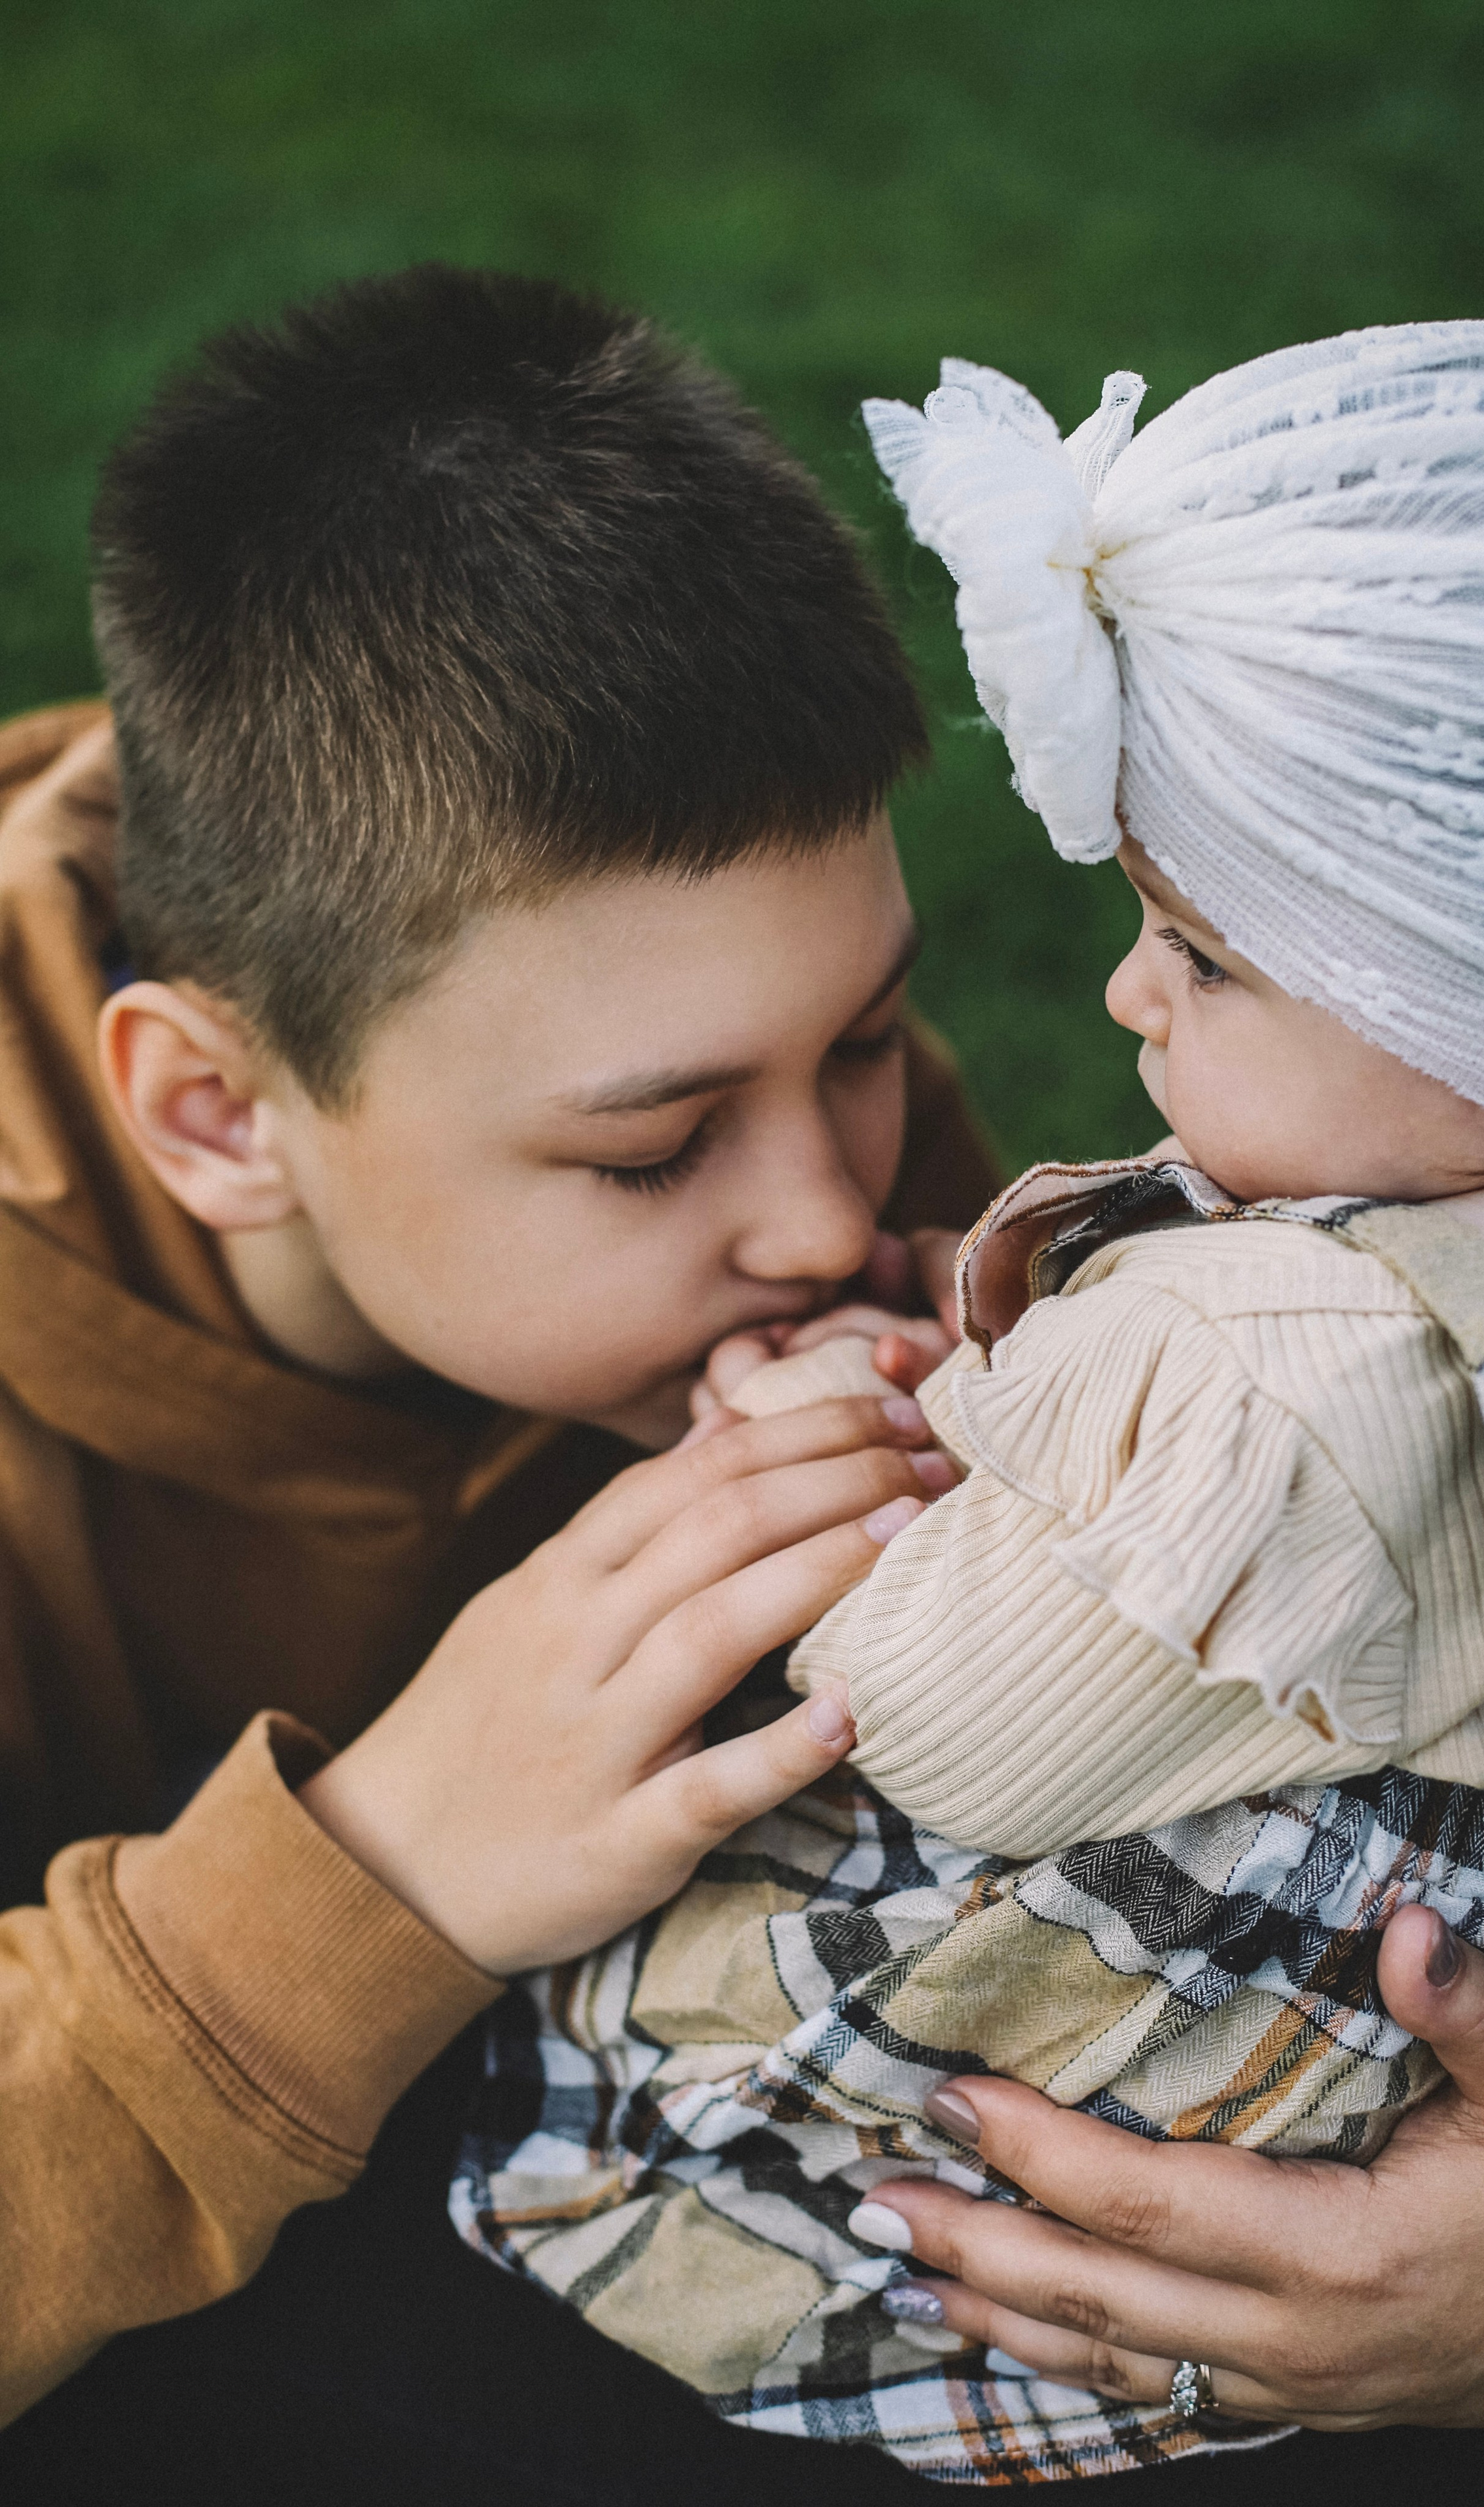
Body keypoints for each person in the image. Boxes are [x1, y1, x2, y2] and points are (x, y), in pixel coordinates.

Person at [449, 322, 1484, 2495]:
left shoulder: (1254, 1367)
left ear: (1469, 1011)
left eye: (1200, 952)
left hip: (1171, 2110)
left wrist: (917, 1462)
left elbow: (955, 1723)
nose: (1120, 990)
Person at [0, 264, 1004, 2444]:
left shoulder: (768, 1124)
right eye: (652, 1153)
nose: (834, 1207)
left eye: (861, 1039)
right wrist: (375, 1875)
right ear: (213, 1115)